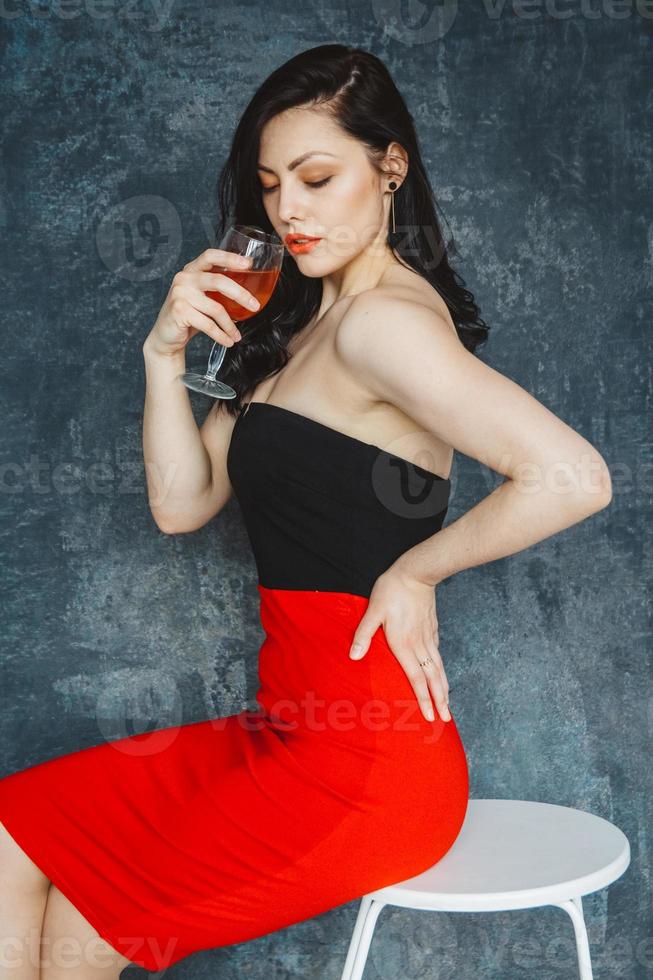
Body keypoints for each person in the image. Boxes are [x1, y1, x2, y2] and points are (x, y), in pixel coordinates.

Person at [0, 44, 612, 978]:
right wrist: (164, 360)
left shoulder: (383, 325)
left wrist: (415, 570)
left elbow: (572, 476)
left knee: (90, 901)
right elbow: (181, 506)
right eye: (272, 184)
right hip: (287, 730)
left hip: (363, 772)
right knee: (22, 830)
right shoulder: (294, 333)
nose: (289, 209)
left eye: (319, 177)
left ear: (390, 167)